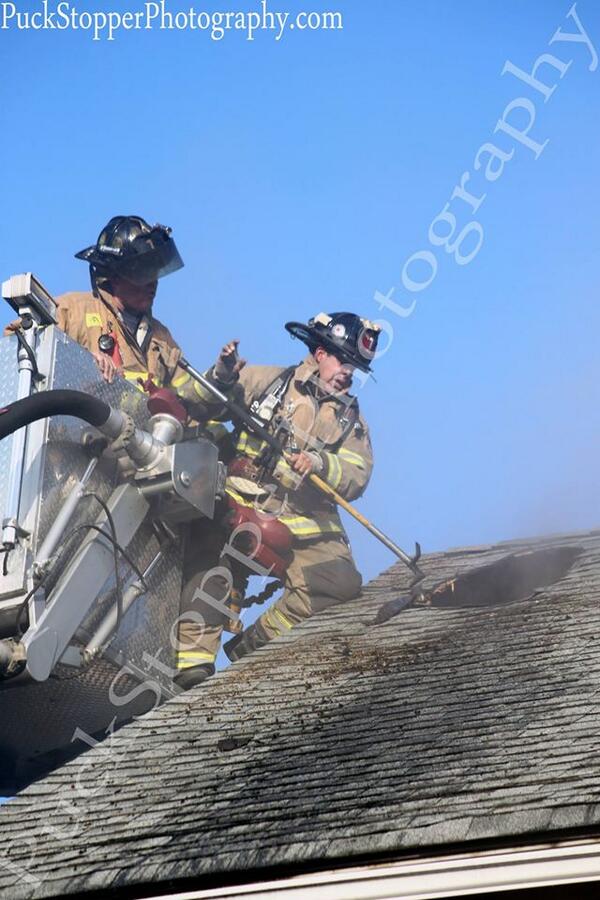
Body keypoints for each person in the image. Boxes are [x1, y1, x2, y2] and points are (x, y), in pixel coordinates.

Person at [175, 311, 380, 690]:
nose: (349, 374)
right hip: (241, 501)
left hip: (305, 518)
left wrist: (320, 462)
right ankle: (194, 664)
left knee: (339, 582)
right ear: (319, 353)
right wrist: (221, 375)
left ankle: (254, 649)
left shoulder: (352, 421)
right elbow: (196, 402)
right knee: (215, 553)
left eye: (356, 368)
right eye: (343, 361)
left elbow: (357, 472)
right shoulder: (269, 381)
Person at [54, 214, 242, 415]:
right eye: (143, 272)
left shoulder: (162, 339)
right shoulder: (72, 310)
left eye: (156, 273)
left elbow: (185, 403)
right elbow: (23, 346)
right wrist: (83, 361)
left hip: (138, 443)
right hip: (74, 437)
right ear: (115, 276)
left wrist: (219, 376)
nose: (152, 283)